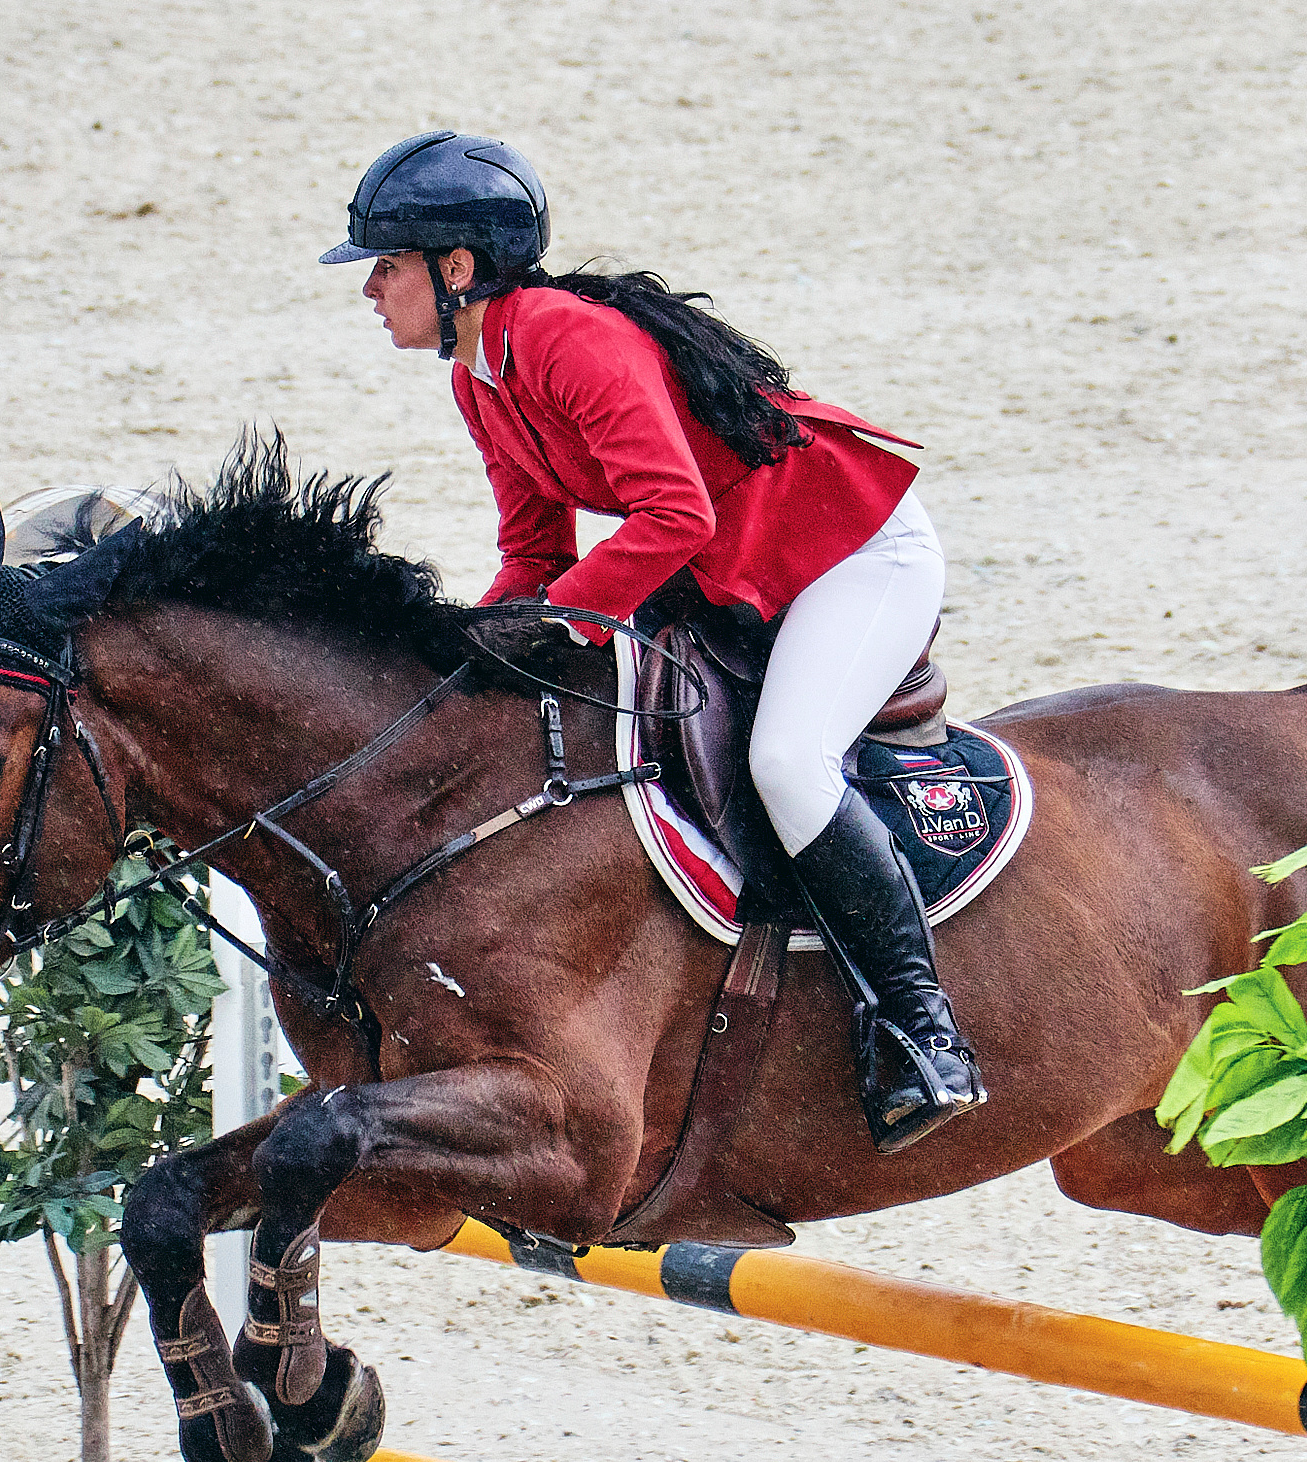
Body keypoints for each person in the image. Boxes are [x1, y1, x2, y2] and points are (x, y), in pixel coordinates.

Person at [320, 131, 985, 1155]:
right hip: (731, 569)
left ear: (457, 270)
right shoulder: (479, 374)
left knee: (787, 763)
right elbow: (533, 550)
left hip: (848, 554)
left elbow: (673, 515)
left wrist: (550, 619)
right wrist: (459, 652)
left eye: (388, 265)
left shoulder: (565, 340)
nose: (370, 288)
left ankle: (923, 1033)